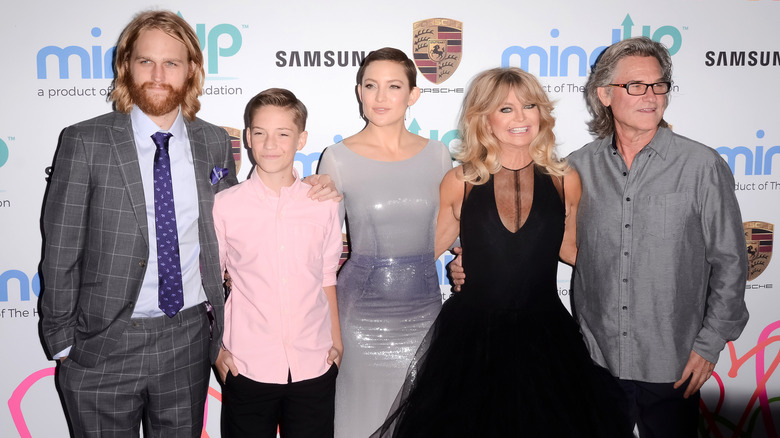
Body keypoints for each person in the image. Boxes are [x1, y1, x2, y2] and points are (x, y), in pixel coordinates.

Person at [39, 11, 335, 437]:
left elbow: (249, 213)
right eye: (145, 61)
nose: (158, 74)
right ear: (126, 65)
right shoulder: (85, 141)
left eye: (172, 63)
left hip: (187, 341)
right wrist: (65, 343)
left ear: (191, 70)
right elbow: (61, 250)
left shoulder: (214, 141)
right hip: (103, 344)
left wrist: (312, 185)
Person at [372, 67, 632, 437]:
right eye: (505, 109)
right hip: (471, 341)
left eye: (528, 106)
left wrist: (643, 265)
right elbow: (421, 253)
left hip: (547, 340)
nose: (521, 117)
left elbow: (574, 250)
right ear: (484, 119)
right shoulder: (460, 181)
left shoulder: (565, 180)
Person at [567, 36, 749, 437]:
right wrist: (469, 259)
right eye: (635, 85)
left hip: (674, 362)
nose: (650, 96)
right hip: (598, 359)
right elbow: (538, 234)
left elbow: (731, 262)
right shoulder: (577, 168)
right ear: (604, 94)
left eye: (658, 84)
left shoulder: (701, 166)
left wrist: (709, 345)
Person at [316, 47, 452, 437]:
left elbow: (449, 226)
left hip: (423, 310)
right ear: (359, 91)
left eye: (393, 86)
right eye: (371, 86)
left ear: (413, 95)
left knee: (418, 417)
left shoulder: (439, 155)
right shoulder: (337, 158)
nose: (380, 97)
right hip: (359, 315)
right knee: (359, 419)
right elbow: (322, 243)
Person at [212, 88, 342, 437]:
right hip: (247, 365)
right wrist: (217, 350)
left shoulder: (325, 204)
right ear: (248, 139)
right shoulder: (224, 205)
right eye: (260, 133)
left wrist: (336, 341)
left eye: (283, 134)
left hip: (314, 363)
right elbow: (209, 283)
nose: (271, 144)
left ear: (301, 139)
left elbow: (327, 276)